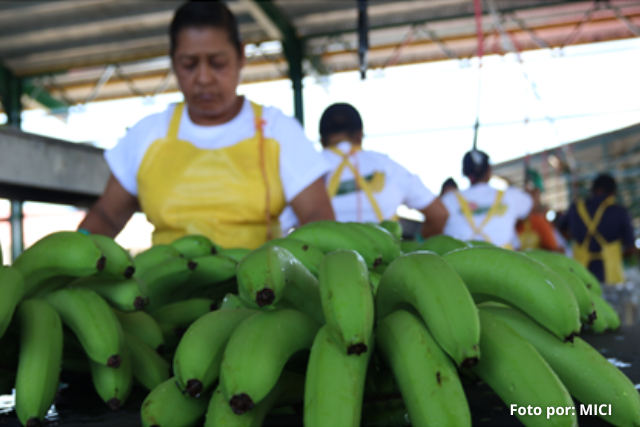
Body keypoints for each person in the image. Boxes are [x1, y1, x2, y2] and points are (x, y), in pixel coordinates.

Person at [78, 1, 334, 249]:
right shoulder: (147, 134)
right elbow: (106, 216)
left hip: (258, 290)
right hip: (165, 290)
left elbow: (316, 216)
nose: (203, 78)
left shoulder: (277, 130)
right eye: (189, 64)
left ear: (241, 56)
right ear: (173, 62)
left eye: (217, 63)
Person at [280, 103, 448, 238]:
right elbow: (440, 215)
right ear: (360, 135)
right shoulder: (389, 167)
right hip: (385, 268)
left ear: (322, 139)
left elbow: (281, 226)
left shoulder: (305, 170)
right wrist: (418, 242)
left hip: (325, 271)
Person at [441, 149, 533, 248]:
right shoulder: (511, 196)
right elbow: (532, 203)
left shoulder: (448, 199)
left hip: (458, 261)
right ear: (489, 171)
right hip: (502, 260)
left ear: (464, 171)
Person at [563, 173, 635, 284]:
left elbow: (563, 233)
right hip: (611, 278)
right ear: (612, 192)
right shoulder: (619, 212)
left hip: (580, 276)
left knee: (583, 299)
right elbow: (630, 248)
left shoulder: (575, 209)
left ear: (594, 189)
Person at [516, 169, 563, 252]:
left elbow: (556, 250)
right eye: (526, 189)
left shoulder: (541, 218)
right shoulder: (517, 218)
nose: (528, 191)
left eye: (533, 190)